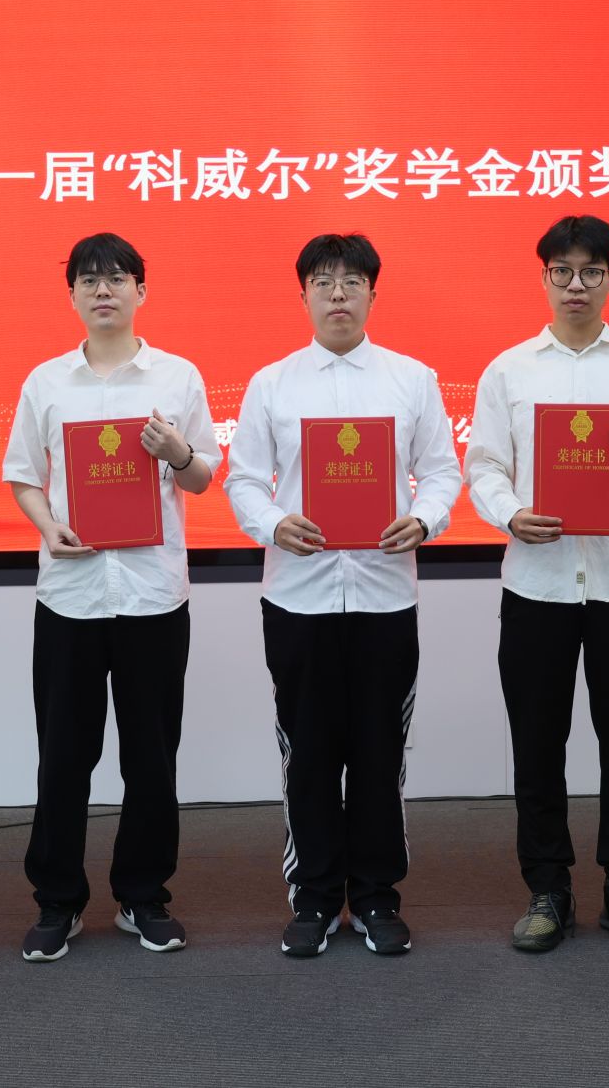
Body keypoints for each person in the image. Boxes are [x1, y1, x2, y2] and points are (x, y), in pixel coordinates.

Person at [465, 214, 609, 956]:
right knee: (537, 744)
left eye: (590, 271)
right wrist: (511, 513)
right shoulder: (509, 370)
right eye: (562, 270)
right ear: (544, 278)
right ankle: (548, 888)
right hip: (536, 586)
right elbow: (483, 467)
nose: (576, 284)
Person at [225, 233, 462, 957]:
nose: (337, 293)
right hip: (298, 597)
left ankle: (378, 895)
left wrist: (425, 518)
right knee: (309, 754)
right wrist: (274, 522)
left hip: (385, 596)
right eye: (323, 281)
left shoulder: (411, 379)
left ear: (372, 294)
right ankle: (316, 896)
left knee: (380, 752)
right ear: (303, 294)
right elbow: (243, 480)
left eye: (352, 280)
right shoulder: (272, 383)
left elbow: (442, 471)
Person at [2, 233, 220, 962]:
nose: (104, 290)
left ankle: (143, 895)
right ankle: (57, 900)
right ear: (71, 294)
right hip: (70, 594)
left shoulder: (178, 376)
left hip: (153, 596)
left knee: (151, 757)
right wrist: (48, 527)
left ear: (141, 292)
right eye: (90, 280)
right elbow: (23, 474)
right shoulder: (46, 382)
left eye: (118, 278)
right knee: (63, 755)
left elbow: (202, 477)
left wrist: (176, 452)